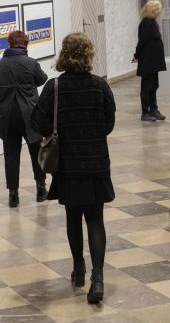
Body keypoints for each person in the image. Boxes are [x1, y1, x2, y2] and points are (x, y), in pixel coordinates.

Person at [32, 33, 116, 304]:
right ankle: (98, 278)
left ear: (63, 55)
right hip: (95, 161)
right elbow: (108, 124)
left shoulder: (54, 87)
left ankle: (79, 269)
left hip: (67, 164)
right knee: (95, 219)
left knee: (73, 217)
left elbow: (38, 122)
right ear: (89, 55)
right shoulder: (100, 86)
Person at [0, 30, 49, 207]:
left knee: (11, 154)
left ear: (9, 44)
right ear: (26, 45)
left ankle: (13, 194)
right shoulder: (31, 62)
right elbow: (42, 79)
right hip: (30, 115)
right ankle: (41, 188)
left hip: (6, 116)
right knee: (36, 151)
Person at [133, 0, 166, 122]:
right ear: (154, 10)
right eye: (158, 9)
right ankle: (145, 112)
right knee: (146, 87)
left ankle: (154, 109)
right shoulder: (146, 23)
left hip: (154, 61)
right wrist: (136, 55)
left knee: (154, 86)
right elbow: (141, 42)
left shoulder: (152, 22)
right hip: (148, 61)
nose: (160, 12)